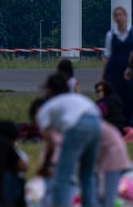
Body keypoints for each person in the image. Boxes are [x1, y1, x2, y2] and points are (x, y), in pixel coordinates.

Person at [36, 72, 102, 207]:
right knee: (87, 175)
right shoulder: (76, 98)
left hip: (77, 124)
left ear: (49, 90)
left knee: (63, 177)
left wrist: (44, 166)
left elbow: (51, 144)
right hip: (96, 121)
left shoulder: (46, 108)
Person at [100, 5, 133, 123]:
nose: (119, 18)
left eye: (120, 15)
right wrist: (102, 76)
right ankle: (118, 123)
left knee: (132, 98)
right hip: (114, 72)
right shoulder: (110, 35)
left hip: (131, 71)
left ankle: (132, 124)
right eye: (116, 15)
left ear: (126, 16)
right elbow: (107, 56)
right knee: (116, 98)